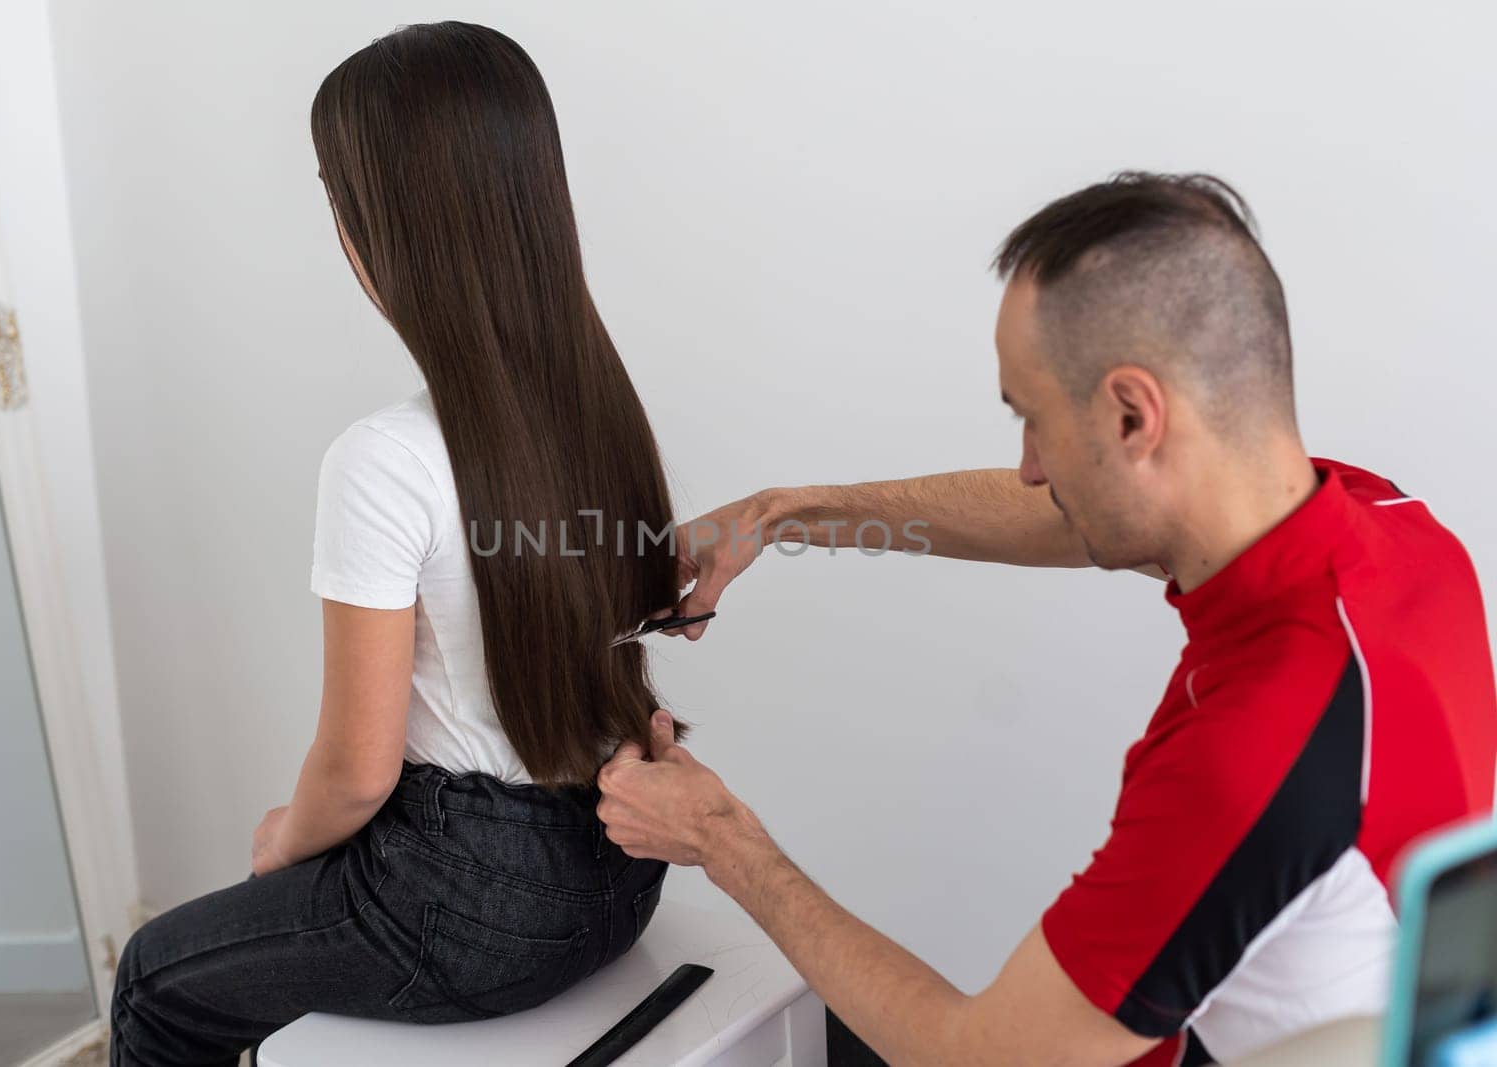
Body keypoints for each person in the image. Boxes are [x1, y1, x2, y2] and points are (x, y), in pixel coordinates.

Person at [596, 173, 1497, 1066]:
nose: (1028, 467)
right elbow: (1077, 515)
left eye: (1034, 421)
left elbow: (981, 1058)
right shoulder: (1393, 533)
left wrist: (719, 838)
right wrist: (788, 514)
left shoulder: (1256, 748)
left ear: (1135, 416)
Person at [109, 22, 679, 1063]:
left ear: (385, 223)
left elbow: (357, 771)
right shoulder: (597, 404)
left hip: (474, 905)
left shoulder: (385, 457)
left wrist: (280, 838)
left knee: (154, 976)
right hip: (621, 871)